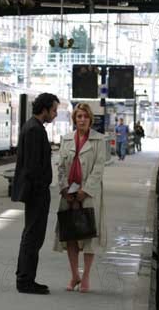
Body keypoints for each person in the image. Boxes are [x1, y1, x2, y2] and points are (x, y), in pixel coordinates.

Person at [53, 103, 106, 293]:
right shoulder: (66, 139)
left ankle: (86, 277)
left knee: (88, 234)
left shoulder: (99, 140)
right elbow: (60, 167)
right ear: (74, 119)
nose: (82, 120)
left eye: (85, 116)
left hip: (89, 194)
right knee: (70, 236)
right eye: (78, 117)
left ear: (90, 119)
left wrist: (85, 191)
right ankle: (74, 274)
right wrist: (64, 189)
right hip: (68, 193)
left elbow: (98, 168)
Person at [11, 93, 60, 295]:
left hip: (36, 190)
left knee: (32, 235)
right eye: (54, 110)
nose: (55, 114)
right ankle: (25, 280)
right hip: (36, 191)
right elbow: (32, 165)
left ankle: (25, 276)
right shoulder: (34, 130)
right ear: (45, 109)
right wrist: (41, 187)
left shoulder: (33, 127)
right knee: (33, 235)